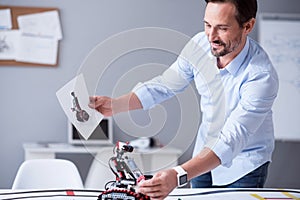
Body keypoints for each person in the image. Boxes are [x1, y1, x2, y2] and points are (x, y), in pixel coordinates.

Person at [89, 0, 279, 199]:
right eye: (207, 25)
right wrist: (116, 105)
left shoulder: (261, 76)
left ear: (248, 26)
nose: (211, 37)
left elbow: (232, 138)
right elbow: (165, 84)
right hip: (203, 155)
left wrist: (178, 174)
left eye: (222, 28)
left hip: (243, 166)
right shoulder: (200, 45)